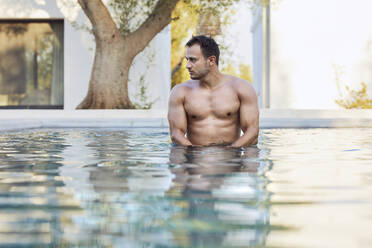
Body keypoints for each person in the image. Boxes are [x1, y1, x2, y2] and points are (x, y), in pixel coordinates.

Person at [168, 35, 259, 147]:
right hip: (195, 159)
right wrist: (196, 154)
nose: (187, 65)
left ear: (211, 60)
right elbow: (176, 134)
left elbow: (252, 133)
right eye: (187, 60)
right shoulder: (180, 92)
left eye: (193, 60)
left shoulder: (241, 88)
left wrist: (231, 153)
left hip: (231, 159)